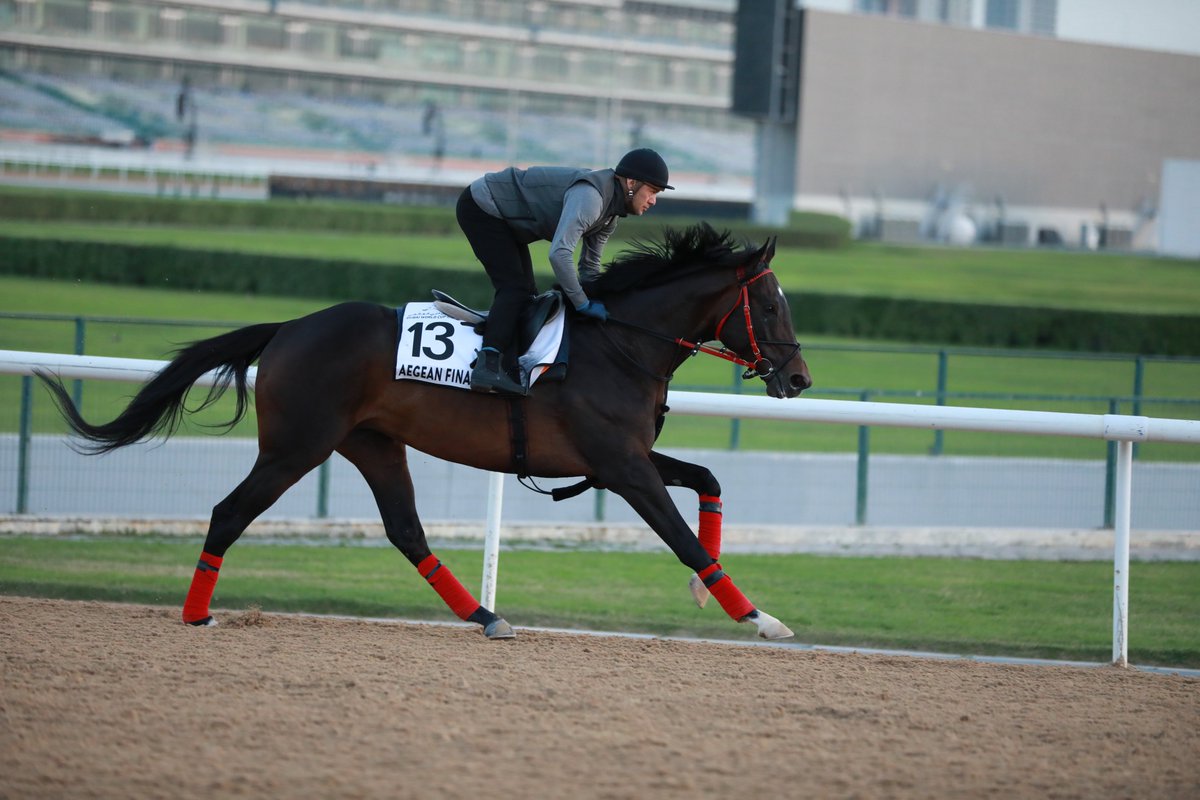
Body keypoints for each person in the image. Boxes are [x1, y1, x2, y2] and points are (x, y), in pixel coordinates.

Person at [456, 148, 673, 396]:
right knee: (515, 289)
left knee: (526, 295)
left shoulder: (610, 217)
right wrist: (581, 303)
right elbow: (559, 254)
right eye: (652, 191)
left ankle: (505, 362)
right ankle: (487, 366)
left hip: (504, 217)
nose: (653, 200)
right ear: (632, 182)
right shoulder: (591, 199)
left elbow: (589, 268)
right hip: (482, 206)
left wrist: (602, 301)